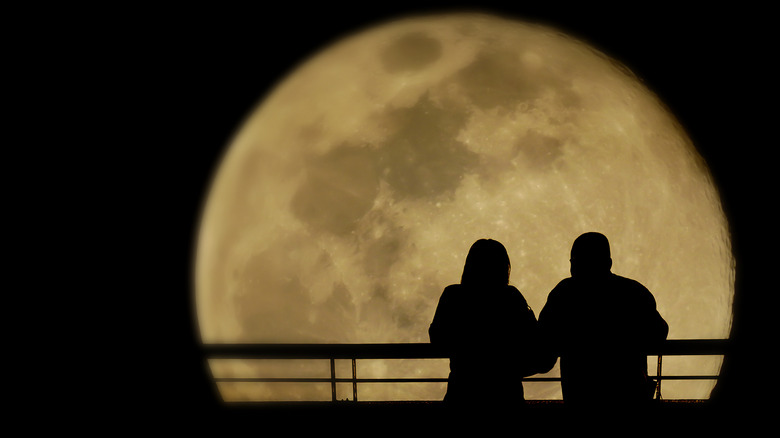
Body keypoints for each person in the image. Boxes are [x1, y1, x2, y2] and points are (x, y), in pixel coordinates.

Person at [537, 232, 668, 411]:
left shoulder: (563, 294)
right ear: (608, 262)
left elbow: (544, 344)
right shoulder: (634, 292)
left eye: (574, 261)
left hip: (580, 396)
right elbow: (658, 333)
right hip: (628, 396)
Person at [429, 239, 541, 414]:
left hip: (463, 393)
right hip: (506, 395)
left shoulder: (453, 295)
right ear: (504, 267)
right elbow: (534, 339)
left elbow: (437, 338)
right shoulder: (511, 298)